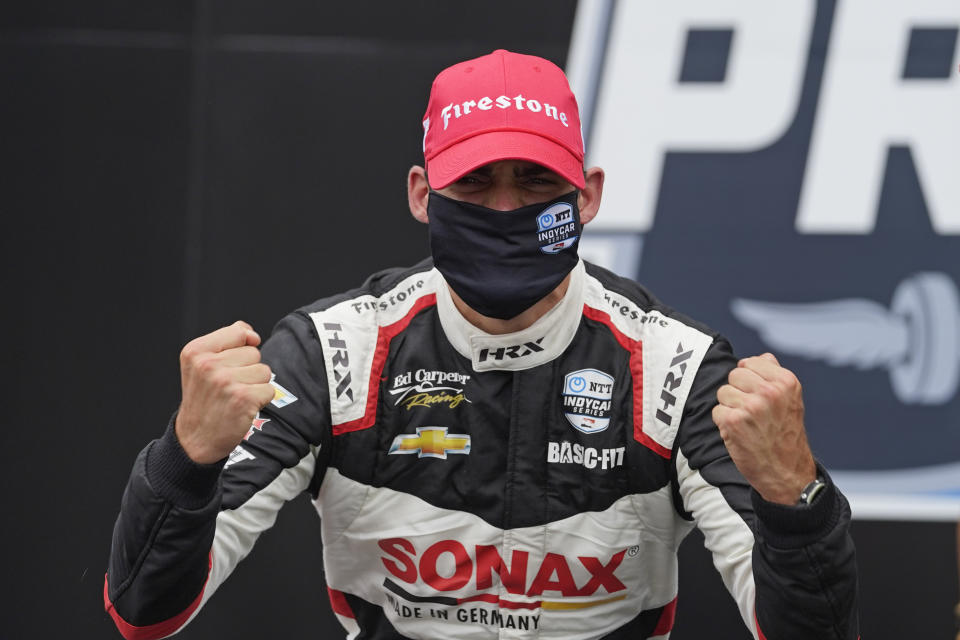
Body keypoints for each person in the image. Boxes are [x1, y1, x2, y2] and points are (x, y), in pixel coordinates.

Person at [104, 49, 859, 639]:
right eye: (474, 185)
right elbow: (147, 612)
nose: (505, 209)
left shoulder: (674, 369)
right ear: (421, 194)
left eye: (534, 184)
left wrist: (798, 502)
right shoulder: (335, 354)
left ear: (586, 196)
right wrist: (184, 458)